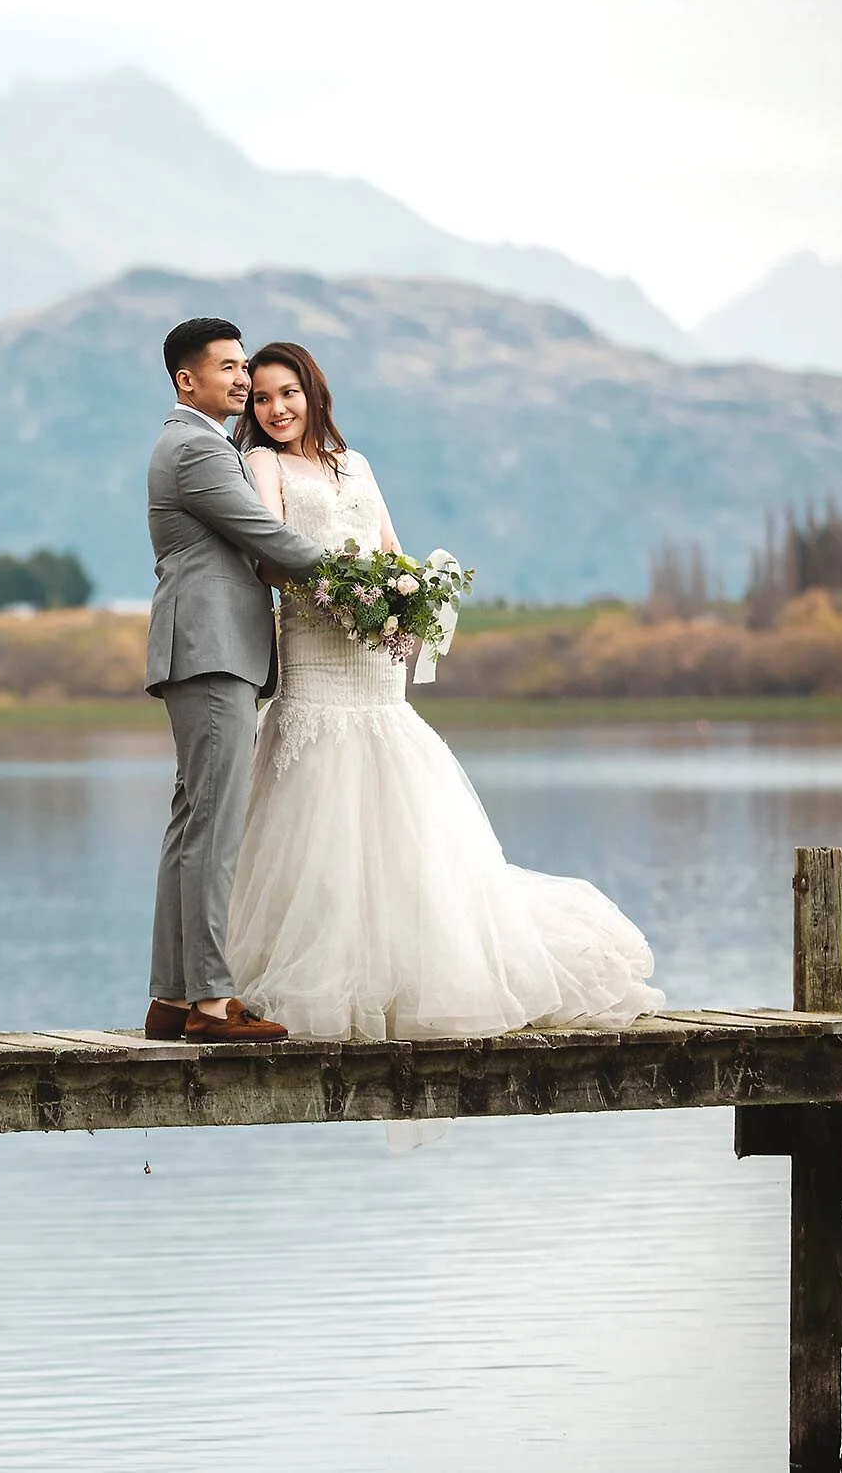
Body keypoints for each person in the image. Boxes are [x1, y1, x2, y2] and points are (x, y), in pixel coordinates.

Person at [222, 341, 663, 1039]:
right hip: (315, 654)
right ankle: (324, 980)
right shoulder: (259, 464)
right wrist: (341, 590)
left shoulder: (355, 463)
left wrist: (401, 596)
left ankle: (414, 973)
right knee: (321, 826)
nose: (276, 408)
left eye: (288, 392)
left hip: (375, 663)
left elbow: (392, 546)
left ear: (313, 391)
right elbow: (270, 555)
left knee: (401, 821)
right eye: (262, 397)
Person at [144, 319, 326, 1041]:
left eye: (244, 365)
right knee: (213, 829)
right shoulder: (195, 448)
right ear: (188, 380)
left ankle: (171, 996)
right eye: (228, 368)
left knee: (192, 821)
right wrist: (364, 580)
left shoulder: (196, 444)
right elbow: (270, 536)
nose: (243, 379)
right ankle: (213, 1003)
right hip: (212, 651)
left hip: (202, 651)